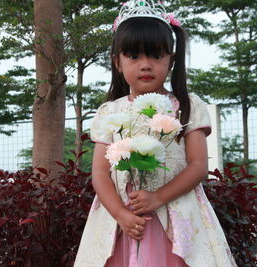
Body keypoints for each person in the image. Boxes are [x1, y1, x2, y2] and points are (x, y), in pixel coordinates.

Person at [74, 1, 236, 266]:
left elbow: (197, 166)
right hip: (121, 221)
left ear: (171, 60)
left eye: (156, 56)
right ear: (117, 62)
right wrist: (120, 214)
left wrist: (158, 197)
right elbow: (100, 173)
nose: (145, 65)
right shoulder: (109, 111)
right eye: (134, 57)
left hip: (175, 214)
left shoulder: (187, 106)